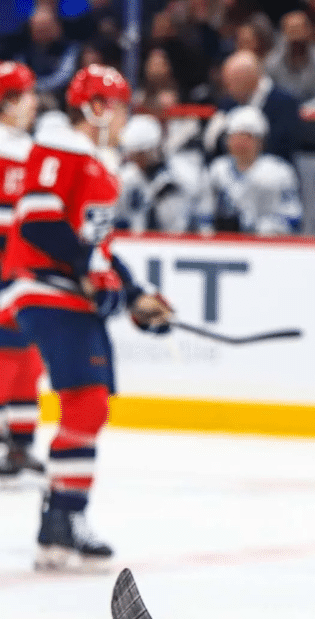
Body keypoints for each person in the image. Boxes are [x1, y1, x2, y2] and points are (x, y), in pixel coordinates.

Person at [3, 65, 173, 571]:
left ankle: (62, 521)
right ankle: (63, 518)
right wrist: (91, 274)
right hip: (43, 288)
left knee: (90, 406)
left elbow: (95, 248)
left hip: (63, 293)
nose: (125, 117)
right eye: (119, 105)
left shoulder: (100, 161)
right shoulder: (60, 148)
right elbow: (38, 223)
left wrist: (136, 294)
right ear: (96, 107)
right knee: (85, 401)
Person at [0, 62, 44, 478]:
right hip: (8, 274)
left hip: (20, 273)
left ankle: (20, 444)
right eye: (28, 94)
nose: (35, 102)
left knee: (27, 358)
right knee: (10, 356)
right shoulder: (10, 152)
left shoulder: (27, 149)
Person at [207, 106, 303, 235]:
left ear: (260, 141)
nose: (240, 142)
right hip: (225, 243)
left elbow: (293, 216)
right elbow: (205, 211)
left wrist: (262, 227)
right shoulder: (218, 169)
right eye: (235, 136)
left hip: (267, 243)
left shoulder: (280, 171)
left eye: (247, 137)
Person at [116, 114, 214, 234]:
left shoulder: (182, 173)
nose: (135, 159)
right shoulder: (126, 178)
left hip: (178, 241)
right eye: (132, 154)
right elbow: (119, 218)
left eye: (140, 153)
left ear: (153, 148)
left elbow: (200, 217)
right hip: (138, 245)